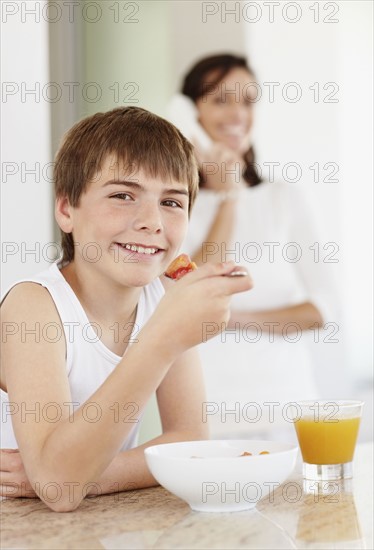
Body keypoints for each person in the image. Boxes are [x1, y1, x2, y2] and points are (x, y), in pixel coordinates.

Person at [0, 106, 252, 511]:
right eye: (122, 195)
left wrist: (75, 476)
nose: (152, 221)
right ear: (66, 210)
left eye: (172, 202)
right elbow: (61, 491)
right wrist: (164, 338)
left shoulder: (165, 298)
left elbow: (189, 441)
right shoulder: (33, 307)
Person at [168, 54, 335, 439]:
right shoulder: (174, 205)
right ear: (191, 112)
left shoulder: (283, 197)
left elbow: (322, 308)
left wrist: (234, 319)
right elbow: (187, 292)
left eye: (247, 101)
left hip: (291, 406)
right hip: (210, 409)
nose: (237, 114)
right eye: (221, 99)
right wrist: (228, 195)